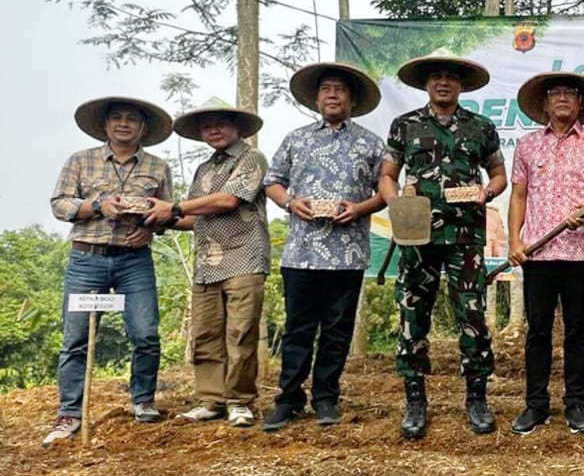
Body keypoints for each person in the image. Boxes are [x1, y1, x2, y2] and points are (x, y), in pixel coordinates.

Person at [379, 52, 507, 439]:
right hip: (417, 237)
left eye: (451, 78)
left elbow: (499, 173)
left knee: (472, 318)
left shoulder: (480, 127)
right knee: (412, 317)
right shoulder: (405, 126)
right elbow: (387, 175)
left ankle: (477, 398)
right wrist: (397, 204)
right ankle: (415, 400)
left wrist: (486, 192)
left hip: (465, 238)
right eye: (436, 77)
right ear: (426, 85)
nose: (443, 83)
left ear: (461, 85)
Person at [261, 62, 386, 431]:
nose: (333, 95)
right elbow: (272, 181)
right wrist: (289, 203)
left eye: (340, 90)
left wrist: (361, 208)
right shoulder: (296, 138)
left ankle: (326, 397)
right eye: (326, 89)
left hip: (347, 254)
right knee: (298, 328)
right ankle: (288, 399)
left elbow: (386, 189)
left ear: (352, 99)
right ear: (316, 98)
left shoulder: (371, 143)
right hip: (301, 252)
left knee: (337, 330)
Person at [44, 97, 174, 445]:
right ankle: (69, 413)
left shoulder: (158, 167)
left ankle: (143, 400)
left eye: (132, 119)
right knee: (75, 339)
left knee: (146, 333)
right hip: (86, 259)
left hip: (135, 260)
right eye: (117, 118)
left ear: (143, 128)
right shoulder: (80, 161)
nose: (124, 124)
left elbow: (167, 213)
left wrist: (151, 228)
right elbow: (60, 204)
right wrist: (99, 205)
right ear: (105, 125)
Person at [143, 103, 269, 428]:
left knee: (240, 332)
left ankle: (240, 401)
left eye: (221, 124)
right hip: (207, 261)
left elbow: (227, 200)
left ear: (237, 127)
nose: (214, 130)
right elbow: (192, 217)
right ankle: (212, 399)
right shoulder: (203, 169)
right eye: (207, 126)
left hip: (244, 256)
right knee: (206, 332)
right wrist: (157, 219)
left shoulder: (251, 158)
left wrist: (171, 207)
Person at [507, 72, 584, 435]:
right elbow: (518, 196)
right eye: (556, 94)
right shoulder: (527, 145)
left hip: (579, 253)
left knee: (576, 331)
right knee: (537, 331)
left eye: (571, 94)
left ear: (581, 103)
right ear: (545, 103)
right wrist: (514, 241)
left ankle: (575, 404)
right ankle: (535, 405)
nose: (564, 99)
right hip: (538, 254)